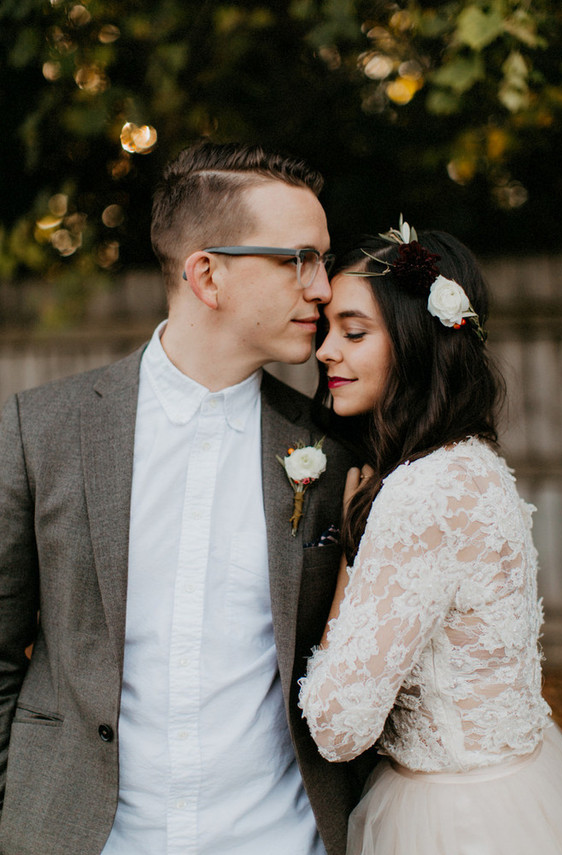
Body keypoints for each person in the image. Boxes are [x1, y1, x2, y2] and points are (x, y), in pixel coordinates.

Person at [0, 142, 369, 855]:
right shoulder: (41, 430)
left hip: (282, 839)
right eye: (299, 259)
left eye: (322, 260)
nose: (323, 287)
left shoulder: (336, 453)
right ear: (207, 274)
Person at [298, 220, 562, 854]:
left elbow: (339, 726)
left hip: (453, 821)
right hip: (515, 789)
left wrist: (345, 560)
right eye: (326, 330)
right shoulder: (471, 462)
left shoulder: (424, 492)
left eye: (354, 331)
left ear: (419, 339)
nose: (325, 352)